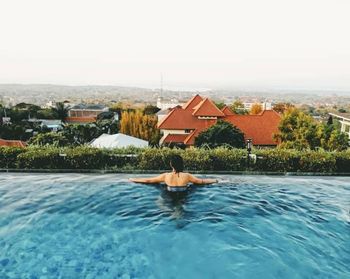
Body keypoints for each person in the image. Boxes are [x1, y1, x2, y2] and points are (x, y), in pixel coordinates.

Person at [129, 154, 218, 191]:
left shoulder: (165, 176)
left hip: (170, 193)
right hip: (183, 193)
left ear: (171, 164)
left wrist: (133, 179)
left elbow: (148, 181)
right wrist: (215, 180)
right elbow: (201, 182)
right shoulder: (187, 176)